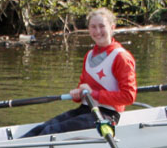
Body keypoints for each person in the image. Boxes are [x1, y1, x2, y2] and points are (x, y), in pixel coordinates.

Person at [21, 8, 136, 137]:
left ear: (112, 27)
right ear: (89, 30)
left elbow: (128, 97)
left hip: (107, 115)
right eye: (93, 27)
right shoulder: (89, 55)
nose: (97, 31)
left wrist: (94, 94)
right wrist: (77, 94)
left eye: (102, 26)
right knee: (42, 128)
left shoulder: (121, 57)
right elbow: (82, 86)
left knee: (51, 131)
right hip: (86, 109)